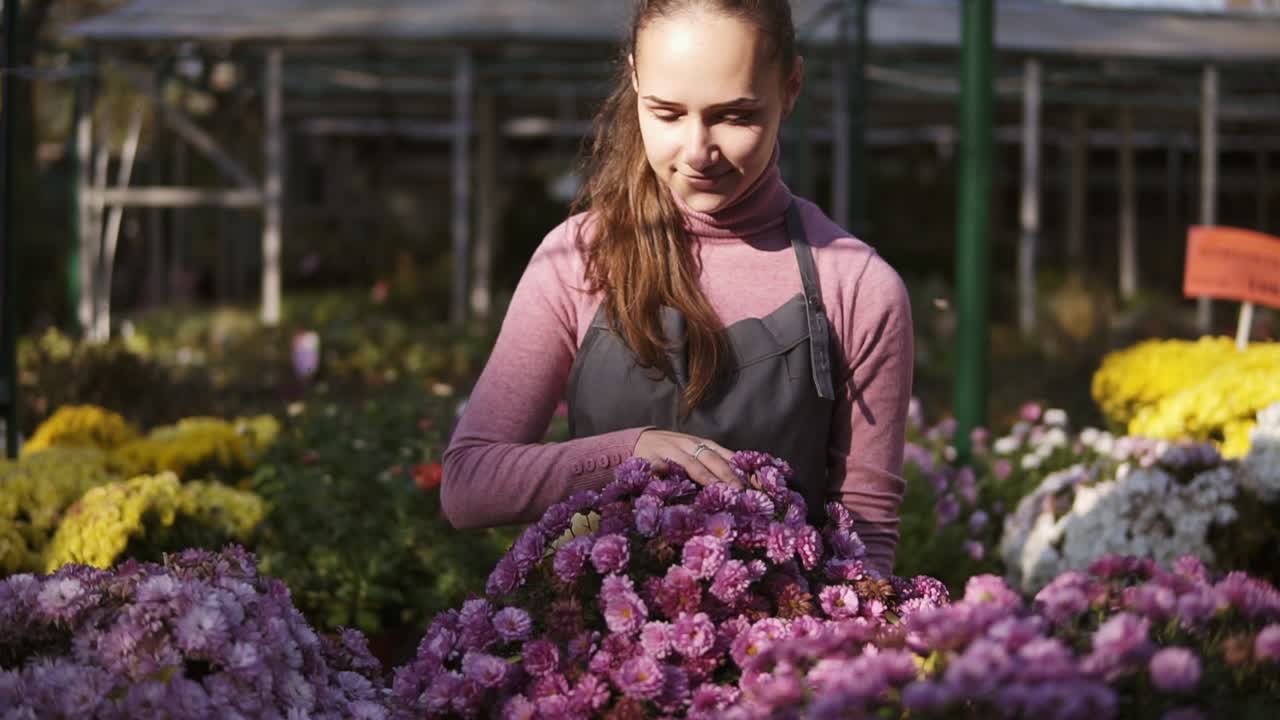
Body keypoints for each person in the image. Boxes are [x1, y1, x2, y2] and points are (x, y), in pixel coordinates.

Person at [442, 0, 914, 577]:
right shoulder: (579, 260)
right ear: (635, 77)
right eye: (666, 113)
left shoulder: (858, 287)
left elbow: (865, 536)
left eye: (735, 116)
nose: (697, 151)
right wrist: (630, 453)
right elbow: (468, 485)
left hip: (784, 657)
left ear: (791, 87)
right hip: (596, 653)